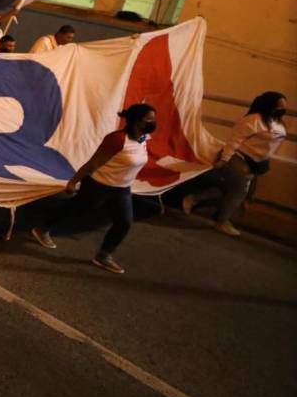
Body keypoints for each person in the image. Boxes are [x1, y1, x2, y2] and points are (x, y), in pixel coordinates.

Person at [31, 104, 157, 274]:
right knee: (76, 211)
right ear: (136, 121)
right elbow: (94, 163)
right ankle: (43, 227)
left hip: (122, 189)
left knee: (125, 222)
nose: (153, 122)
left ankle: (104, 255)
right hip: (99, 185)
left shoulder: (144, 138)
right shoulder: (117, 140)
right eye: (148, 119)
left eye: (153, 119)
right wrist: (73, 181)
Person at [182, 92, 287, 236]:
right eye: (280, 105)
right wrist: (224, 160)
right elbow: (234, 141)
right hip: (240, 160)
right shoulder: (253, 120)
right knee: (238, 193)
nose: (283, 108)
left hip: (256, 164)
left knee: (230, 190)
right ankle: (222, 222)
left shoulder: (277, 122)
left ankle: (194, 199)